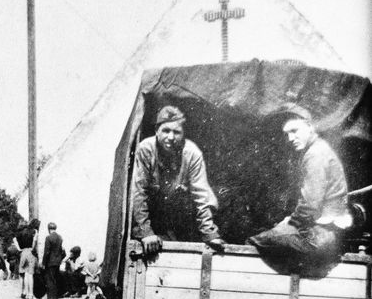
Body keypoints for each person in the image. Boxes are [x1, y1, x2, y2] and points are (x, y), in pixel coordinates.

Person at [248, 106, 351, 275]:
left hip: (319, 238)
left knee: (254, 242)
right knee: (272, 235)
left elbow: (310, 207)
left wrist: (290, 222)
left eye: (295, 130)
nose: (290, 138)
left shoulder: (315, 154)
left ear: (311, 127)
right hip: (327, 236)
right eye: (287, 134)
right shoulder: (320, 149)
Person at [131, 105, 226, 255]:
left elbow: (201, 194)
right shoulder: (146, 149)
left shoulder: (192, 153)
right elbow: (138, 191)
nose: (170, 137)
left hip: (179, 219)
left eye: (176, 132)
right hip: (150, 217)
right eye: (166, 131)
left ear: (183, 134)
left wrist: (209, 234)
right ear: (156, 131)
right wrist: (145, 232)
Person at [16, 219, 40, 299]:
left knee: (25, 273)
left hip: (23, 253)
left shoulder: (21, 232)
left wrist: (19, 249)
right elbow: (34, 242)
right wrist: (33, 249)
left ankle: (25, 293)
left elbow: (14, 239)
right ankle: (31, 294)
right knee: (30, 274)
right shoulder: (34, 231)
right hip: (30, 252)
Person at [42, 222, 66, 299]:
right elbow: (62, 250)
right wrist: (60, 258)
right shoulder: (60, 237)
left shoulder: (48, 238)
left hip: (50, 261)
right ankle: (56, 295)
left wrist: (43, 262)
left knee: (50, 279)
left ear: (49, 229)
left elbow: (47, 252)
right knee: (56, 277)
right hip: (57, 261)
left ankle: (51, 297)